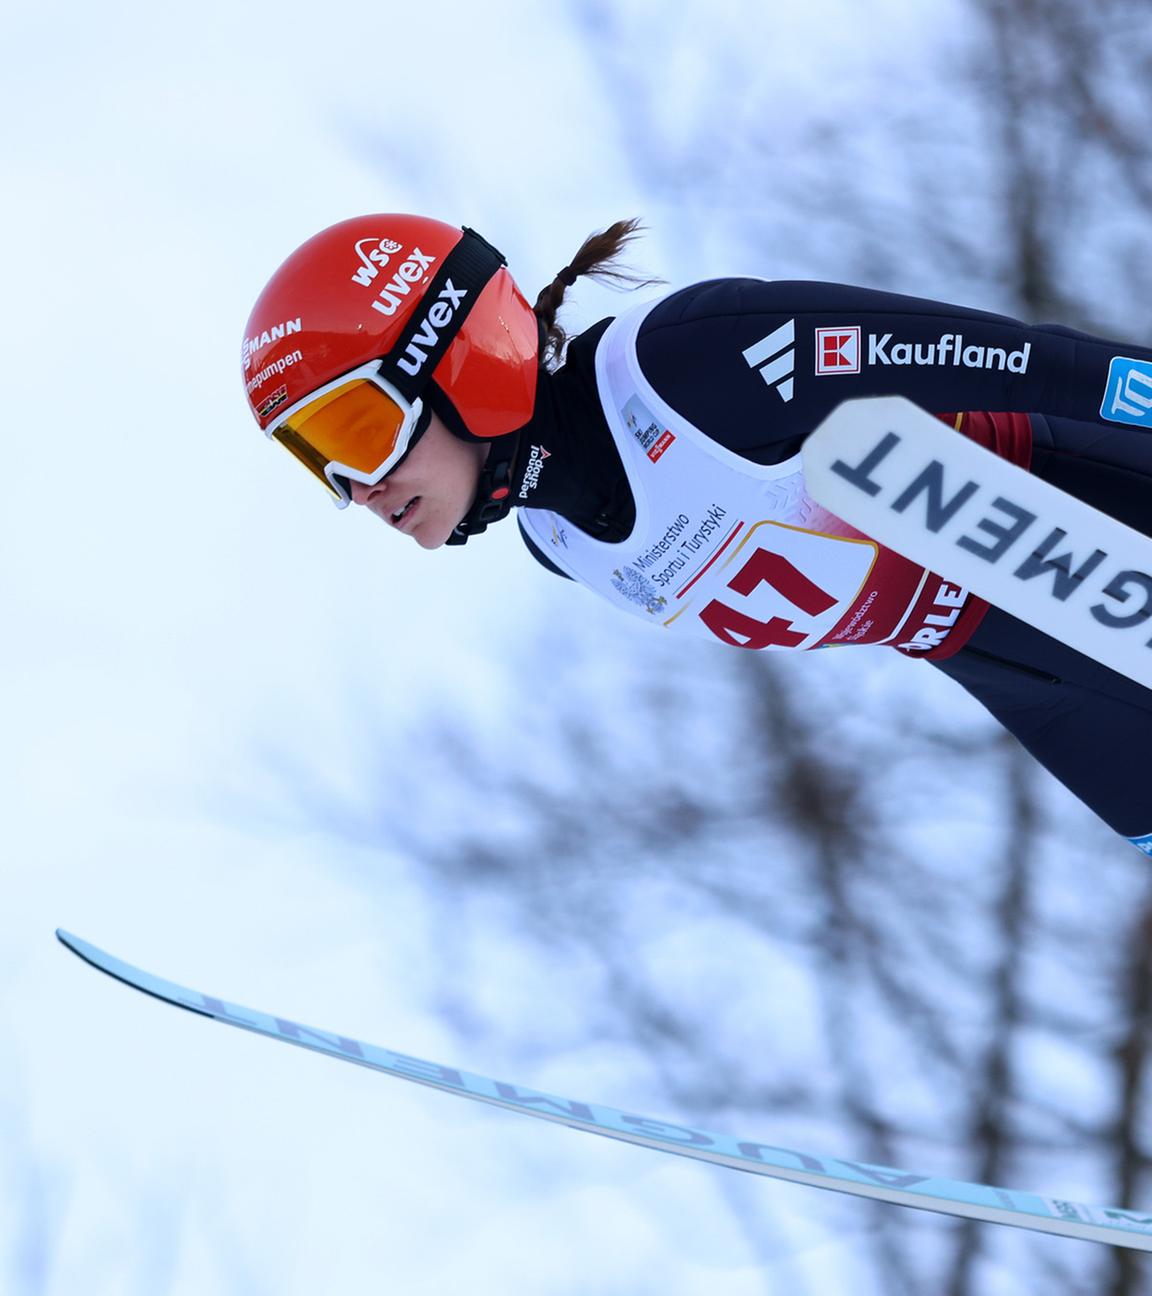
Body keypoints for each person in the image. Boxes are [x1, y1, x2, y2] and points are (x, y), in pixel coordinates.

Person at [242, 213, 1152, 853]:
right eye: (317, 458)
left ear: (452, 356)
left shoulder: (689, 367)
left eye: (357, 429)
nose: (357, 487)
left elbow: (1041, 365)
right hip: (1035, 680)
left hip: (1078, 529)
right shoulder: (564, 547)